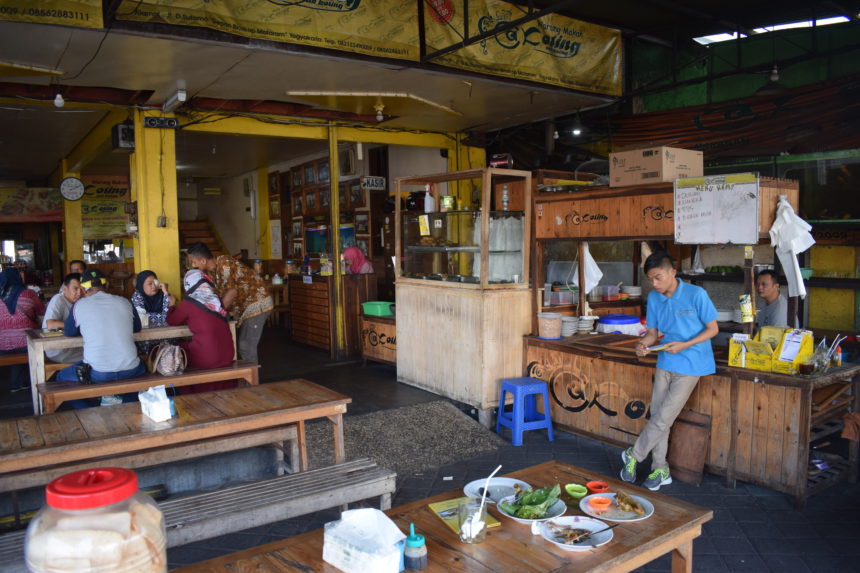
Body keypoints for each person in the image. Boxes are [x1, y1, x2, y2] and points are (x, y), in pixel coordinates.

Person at [621, 251, 718, 491]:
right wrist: (643, 345)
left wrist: (684, 344)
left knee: (664, 417)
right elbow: (652, 334)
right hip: (665, 360)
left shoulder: (697, 294)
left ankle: (634, 455)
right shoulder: (654, 298)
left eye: (658, 278)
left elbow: (713, 329)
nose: (654, 284)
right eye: (651, 279)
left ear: (673, 273)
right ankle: (660, 469)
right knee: (658, 417)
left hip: (691, 363)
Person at [55, 269, 146, 406]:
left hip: (99, 373)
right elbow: (137, 328)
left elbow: (69, 332)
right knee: (143, 368)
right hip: (131, 369)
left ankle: (88, 410)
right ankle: (124, 401)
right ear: (107, 285)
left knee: (61, 377)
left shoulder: (79, 305)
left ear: (83, 289)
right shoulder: (125, 301)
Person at [186, 242, 272, 364]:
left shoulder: (224, 263)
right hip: (244, 308)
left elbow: (231, 292)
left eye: (194, 261)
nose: (193, 265)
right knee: (240, 345)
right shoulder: (211, 272)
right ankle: (245, 379)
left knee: (246, 346)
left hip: (257, 304)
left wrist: (215, 315)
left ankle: (253, 381)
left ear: (203, 260)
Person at [167, 269, 235, 393]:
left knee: (178, 350)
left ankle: (185, 395)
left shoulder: (189, 302)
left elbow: (172, 321)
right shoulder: (216, 300)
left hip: (208, 358)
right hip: (227, 355)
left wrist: (171, 304)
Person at [0, 268, 45, 391]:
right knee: (25, 342)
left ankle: (18, 382)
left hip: (1, 345)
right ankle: (21, 382)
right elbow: (41, 311)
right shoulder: (28, 293)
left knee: (15, 348)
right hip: (26, 343)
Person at [41, 273, 84, 366]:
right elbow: (50, 324)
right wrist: (73, 327)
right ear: (65, 289)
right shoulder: (58, 300)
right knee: (94, 355)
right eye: (75, 289)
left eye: (82, 289)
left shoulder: (81, 301)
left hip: (73, 345)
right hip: (58, 350)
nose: (79, 293)